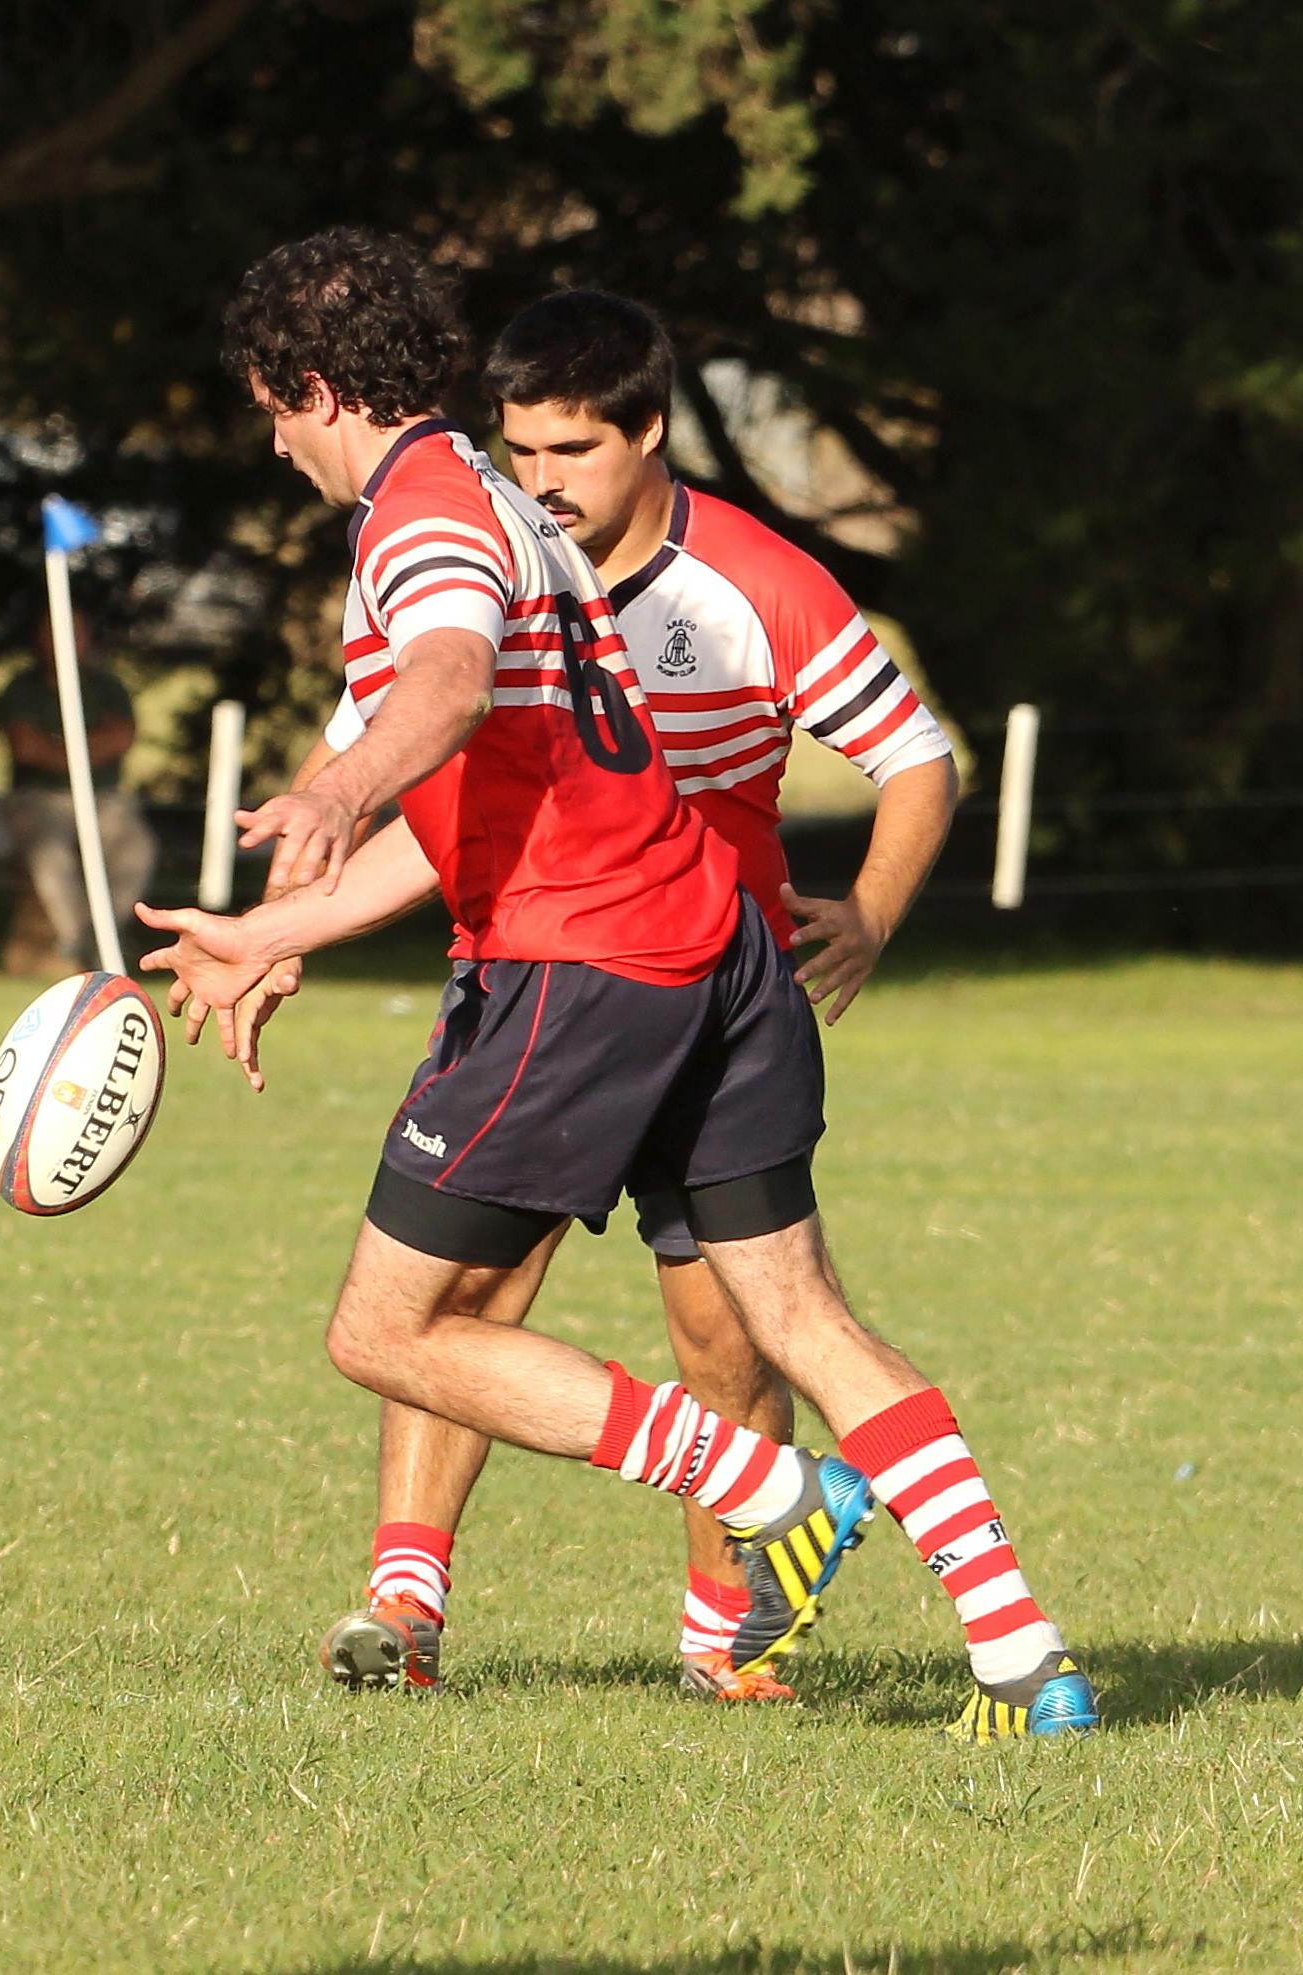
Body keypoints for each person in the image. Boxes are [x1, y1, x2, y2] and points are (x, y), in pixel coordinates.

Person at [137, 227, 1095, 1743]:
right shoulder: (506, 505)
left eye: (271, 410)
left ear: (313, 385)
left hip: (585, 962)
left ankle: (774, 1487)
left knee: (386, 1328)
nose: (273, 444)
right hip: (717, 948)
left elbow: (444, 684)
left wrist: (334, 792)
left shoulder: (426, 517)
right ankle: (1026, 1657)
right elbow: (472, 797)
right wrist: (280, 929)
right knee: (797, 1314)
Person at [270, 289, 959, 1703]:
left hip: (713, 990)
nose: (540, 478)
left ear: (648, 432)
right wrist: (285, 920)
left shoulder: (754, 581)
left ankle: (725, 1634)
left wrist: (873, 910)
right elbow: (388, 749)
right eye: (519, 446)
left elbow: (914, 753)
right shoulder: (485, 546)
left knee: (727, 1333)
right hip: (543, 968)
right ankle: (407, 1601)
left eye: (571, 449)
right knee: (463, 1287)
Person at [0, 605, 156, 970]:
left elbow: (120, 738)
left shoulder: (108, 688)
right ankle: (74, 939)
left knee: (138, 847)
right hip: (39, 798)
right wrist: (87, 750)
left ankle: (103, 934)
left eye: (74, 632)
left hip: (103, 799)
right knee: (49, 852)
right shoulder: (23, 689)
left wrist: (56, 750)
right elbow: (26, 748)